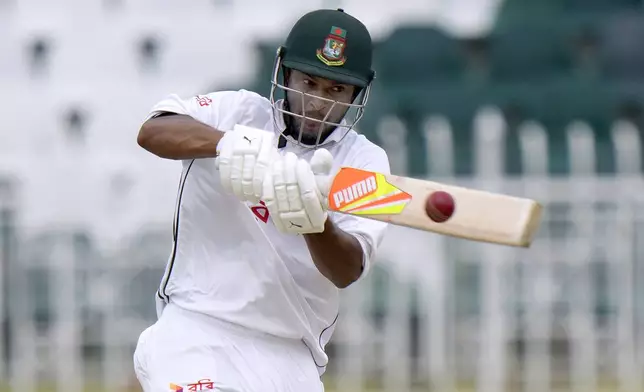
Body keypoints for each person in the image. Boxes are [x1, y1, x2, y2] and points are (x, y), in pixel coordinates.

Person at [133, 8, 390, 392]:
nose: (317, 103)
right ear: (285, 73)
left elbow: (347, 270)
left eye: (336, 90)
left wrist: (314, 221)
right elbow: (152, 130)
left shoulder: (368, 164)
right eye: (309, 82)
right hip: (196, 329)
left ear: (357, 93)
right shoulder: (236, 112)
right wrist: (227, 143)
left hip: (292, 357)